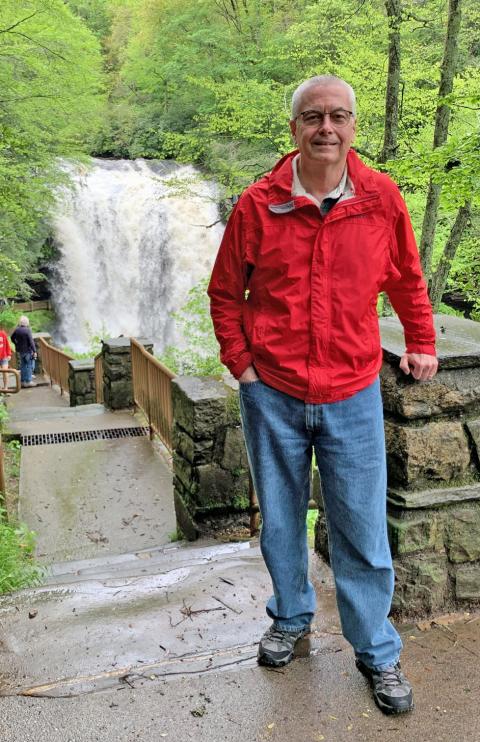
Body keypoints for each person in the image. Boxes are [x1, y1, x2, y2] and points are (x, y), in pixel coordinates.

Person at [208, 75, 438, 716]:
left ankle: (377, 650)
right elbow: (226, 293)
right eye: (313, 117)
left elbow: (406, 277)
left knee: (362, 528)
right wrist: (242, 366)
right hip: (273, 392)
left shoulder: (380, 198)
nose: (326, 129)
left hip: (353, 389)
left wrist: (420, 339)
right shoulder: (258, 206)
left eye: (338, 117)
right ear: (295, 129)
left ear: (353, 127)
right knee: (281, 521)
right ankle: (290, 616)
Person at [11, 316, 37, 388]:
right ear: (27, 323)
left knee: (23, 366)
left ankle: (22, 381)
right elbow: (31, 341)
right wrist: (34, 351)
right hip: (28, 351)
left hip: (20, 351)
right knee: (28, 366)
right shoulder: (27, 330)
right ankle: (28, 381)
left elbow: (12, 338)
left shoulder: (17, 330)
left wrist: (16, 343)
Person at [0, 326, 12, 391]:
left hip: (4, 356)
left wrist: (9, 354)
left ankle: (6, 388)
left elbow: (7, 344)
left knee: (5, 372)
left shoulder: (3, 334)